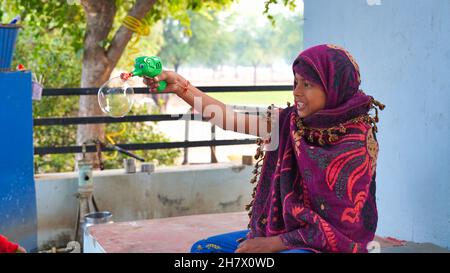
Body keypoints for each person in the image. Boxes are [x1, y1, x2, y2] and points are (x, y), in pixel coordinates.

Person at [144, 44, 385, 253]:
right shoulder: (290, 123)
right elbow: (227, 118)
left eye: (308, 84)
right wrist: (180, 87)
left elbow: (345, 229)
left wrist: (274, 244)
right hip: (285, 234)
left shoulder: (356, 140)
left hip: (331, 246)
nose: (297, 92)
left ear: (334, 87)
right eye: (295, 82)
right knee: (204, 249)